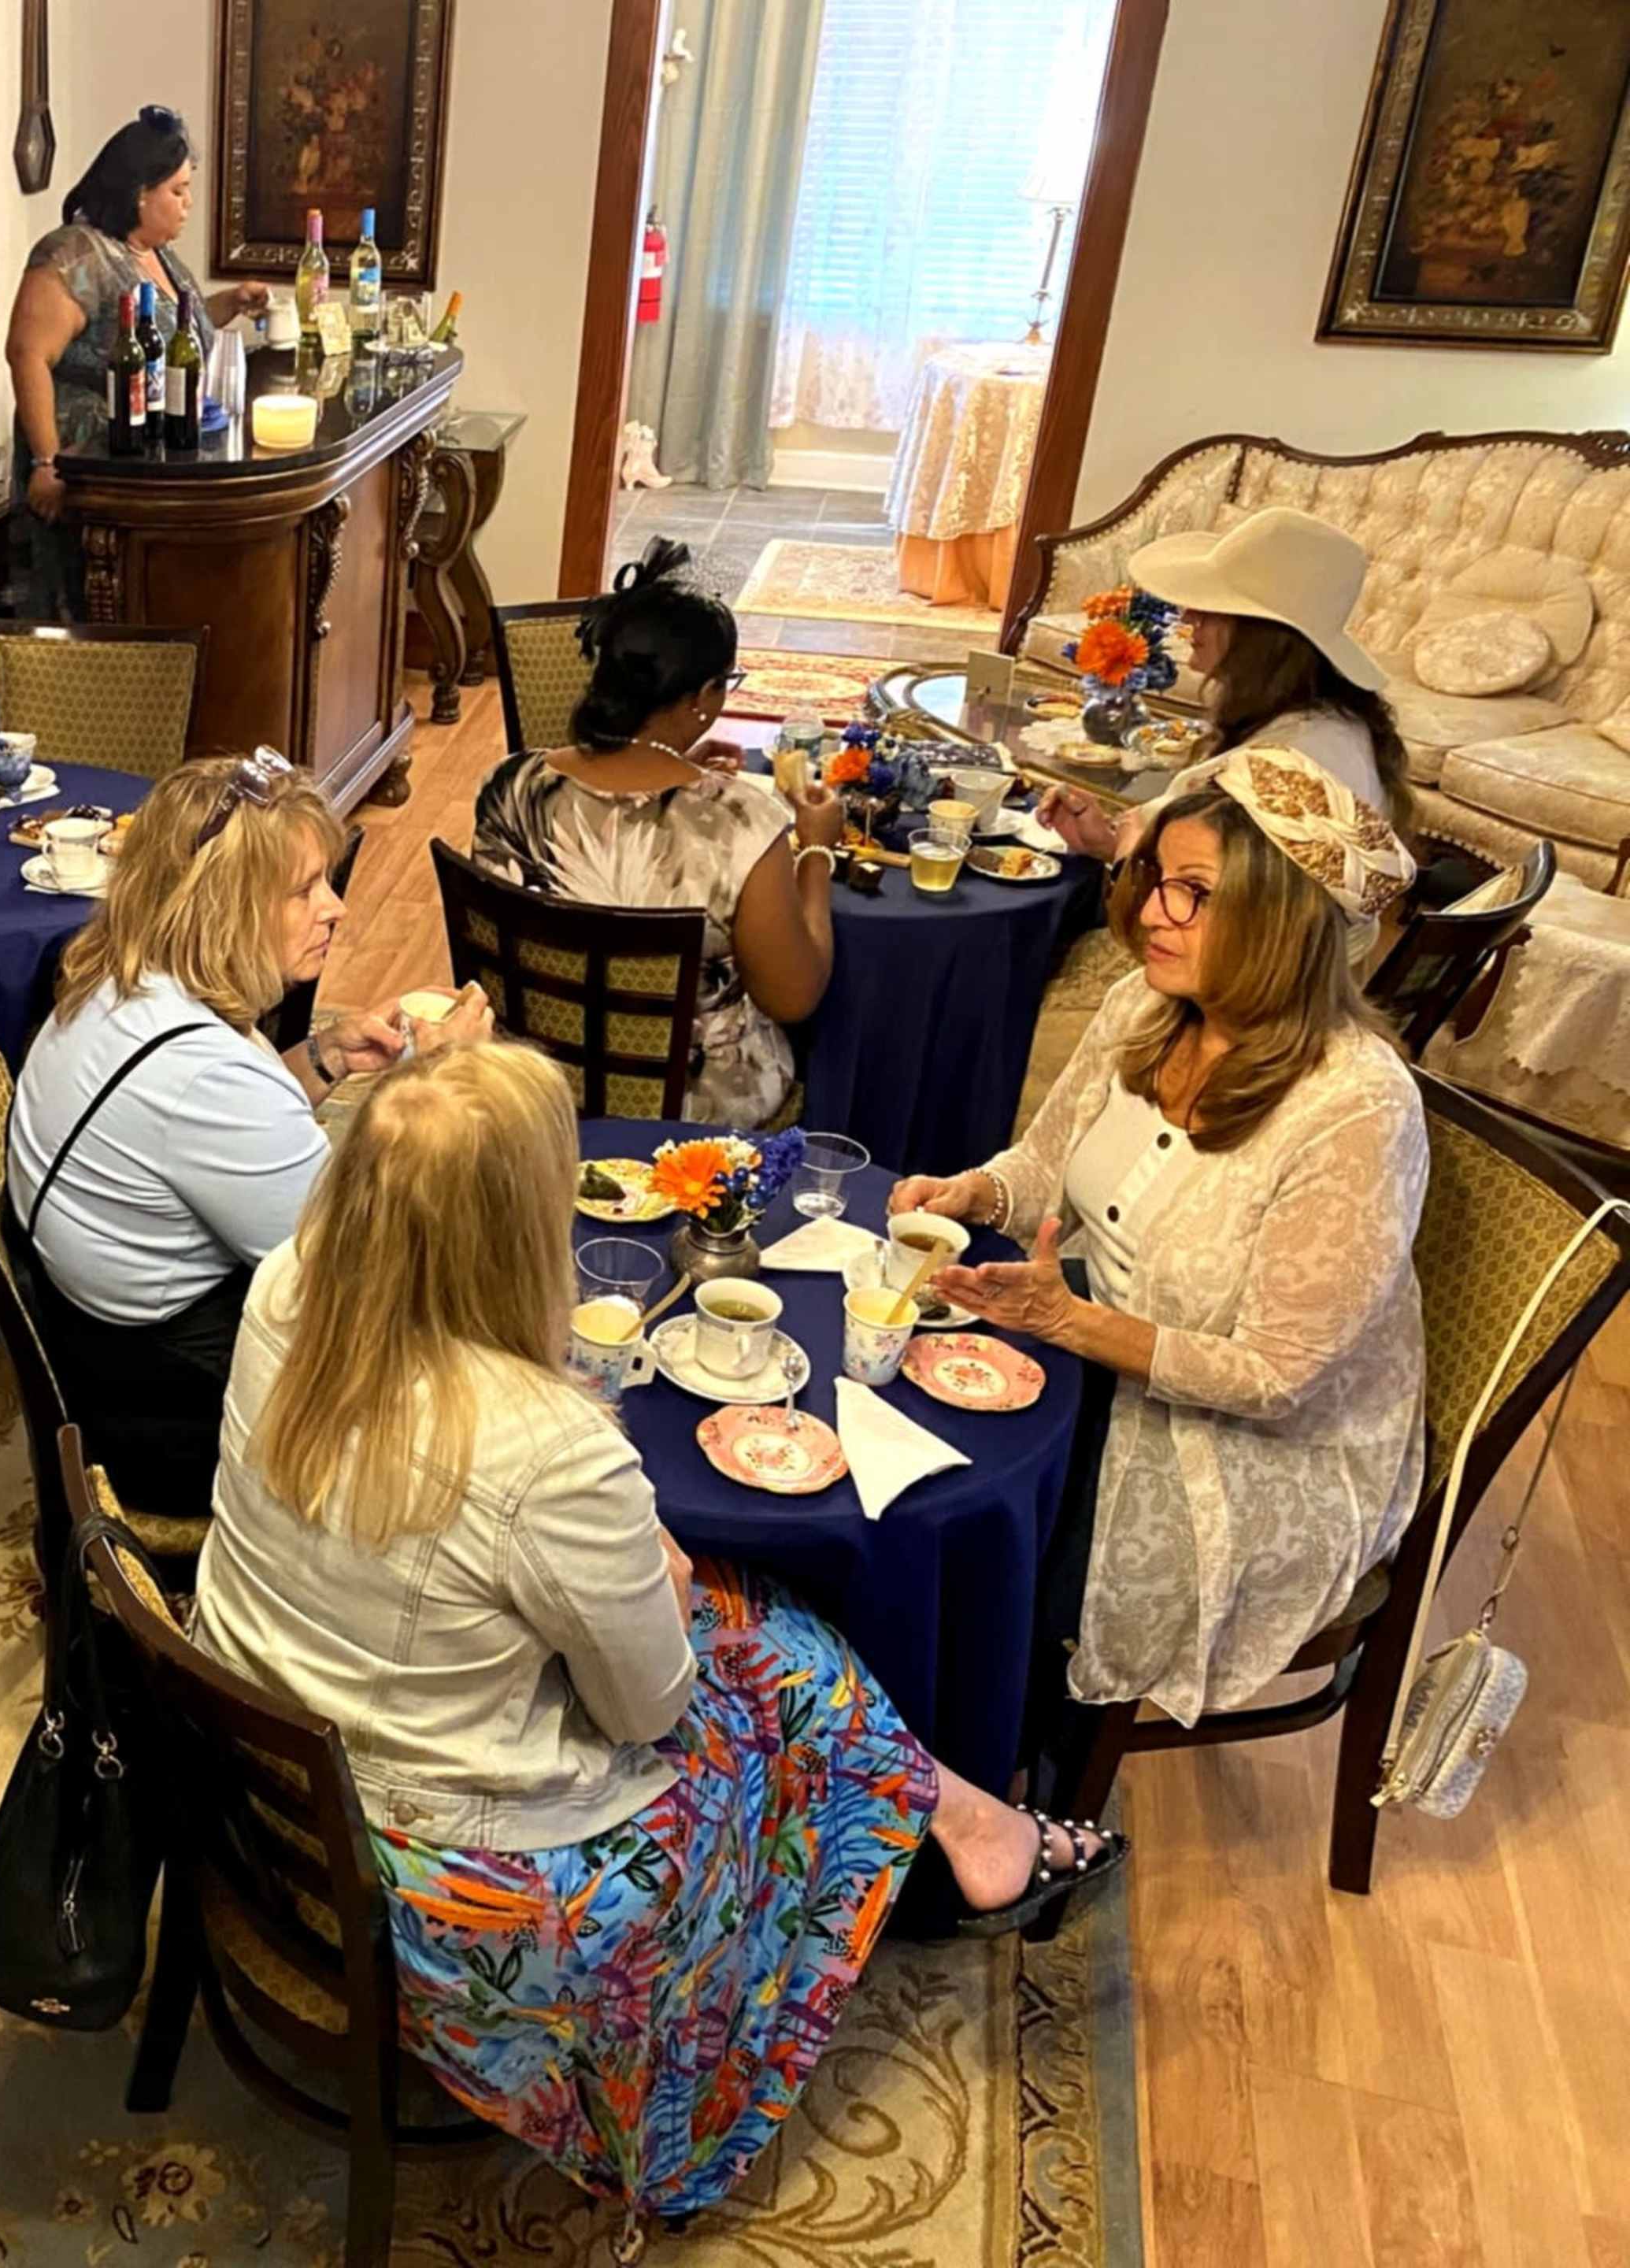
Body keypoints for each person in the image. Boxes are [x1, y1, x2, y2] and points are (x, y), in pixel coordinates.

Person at [192, 1042, 1123, 2226]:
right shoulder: (543, 1447)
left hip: (261, 1759)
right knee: (795, 1665)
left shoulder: (288, 1284)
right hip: (457, 1883)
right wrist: (663, 1579)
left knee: (769, 1636)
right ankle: (686, 2120)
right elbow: (651, 1713)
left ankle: (964, 1818)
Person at [891, 747, 1428, 1789]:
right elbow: (1041, 1171)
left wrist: (1070, 1326)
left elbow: (1278, 1377)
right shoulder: (1148, 1006)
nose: (1153, 918)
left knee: (981, 1522)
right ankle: (902, 1737)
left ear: (1286, 925)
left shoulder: (1356, 1107)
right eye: (1155, 884)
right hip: (1095, 1327)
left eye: (1196, 895)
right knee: (908, 1426)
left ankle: (988, 1778)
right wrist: (970, 1195)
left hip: (1254, 1442)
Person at [6, 751, 485, 1522]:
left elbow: (201, 1147)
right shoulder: (206, 1080)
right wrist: (435, 1092)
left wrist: (325, 1058)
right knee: (461, 1339)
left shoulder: (114, 976)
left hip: (100, 1342)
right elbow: (363, 1268)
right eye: (304, 892)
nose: (336, 908)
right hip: (176, 1421)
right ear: (220, 906)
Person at [472, 538, 846, 1128]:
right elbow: (794, 997)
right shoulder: (743, 822)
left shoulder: (512, 784)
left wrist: (681, 760)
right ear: (701, 698)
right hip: (691, 1107)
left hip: (534, 1079)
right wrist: (819, 850)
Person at [2, 106, 271, 617]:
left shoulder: (152, 252)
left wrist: (229, 302)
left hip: (144, 469)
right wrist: (46, 462)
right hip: (85, 465)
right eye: (177, 191)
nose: (188, 204)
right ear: (138, 192)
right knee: (83, 609)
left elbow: (169, 332)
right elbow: (27, 354)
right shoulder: (75, 254)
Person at [1041, 507, 1411, 862]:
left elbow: (1215, 904)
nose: (1188, 617)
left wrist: (1123, 850)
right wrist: (1108, 842)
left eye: (1211, 608)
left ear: (1262, 637)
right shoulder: (1330, 723)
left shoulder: (1288, 766)